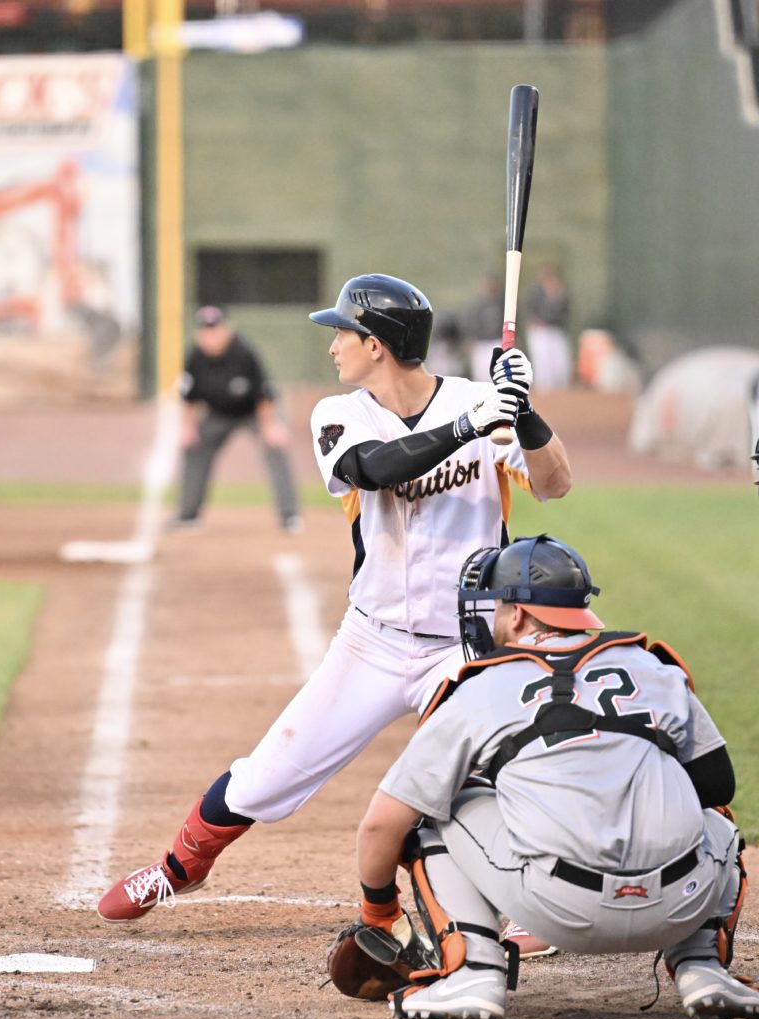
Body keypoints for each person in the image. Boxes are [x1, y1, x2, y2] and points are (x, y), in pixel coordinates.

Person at [96, 272, 572, 923]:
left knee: (489, 778)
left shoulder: (482, 403)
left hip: (465, 647)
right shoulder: (342, 413)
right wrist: (470, 424)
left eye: (342, 332)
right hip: (373, 640)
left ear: (376, 343)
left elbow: (556, 484)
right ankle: (181, 866)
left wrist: (524, 411)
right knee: (268, 774)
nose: (332, 346)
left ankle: (520, 903)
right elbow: (373, 468)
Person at [350, 534, 754, 1019]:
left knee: (433, 810)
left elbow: (380, 826)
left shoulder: (482, 686)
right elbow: (716, 785)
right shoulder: (652, 667)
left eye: (494, 607)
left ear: (517, 614)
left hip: (557, 909)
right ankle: (703, 968)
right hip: (681, 903)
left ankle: (474, 973)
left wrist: (378, 912)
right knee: (715, 818)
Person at [171, 305, 300, 532]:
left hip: (255, 411)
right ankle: (188, 515)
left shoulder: (243, 352)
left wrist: (270, 426)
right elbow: (188, 397)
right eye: (205, 330)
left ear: (226, 330)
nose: (210, 336)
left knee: (275, 445)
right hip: (218, 413)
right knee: (194, 447)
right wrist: (188, 428)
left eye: (214, 329)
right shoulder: (194, 356)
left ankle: (289, 515)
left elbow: (265, 393)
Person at [523, 263, 573, 391]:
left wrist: (556, 296)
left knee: (561, 364)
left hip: (556, 330)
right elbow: (529, 311)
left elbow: (566, 312)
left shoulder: (560, 291)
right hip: (540, 331)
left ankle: (561, 389)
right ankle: (544, 392)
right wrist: (534, 321)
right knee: (543, 364)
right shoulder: (535, 292)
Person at [462, 272, 505, 382]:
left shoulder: (501, 302)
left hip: (497, 340)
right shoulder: (476, 304)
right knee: (480, 375)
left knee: (498, 373)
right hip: (480, 343)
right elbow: (470, 323)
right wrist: (470, 340)